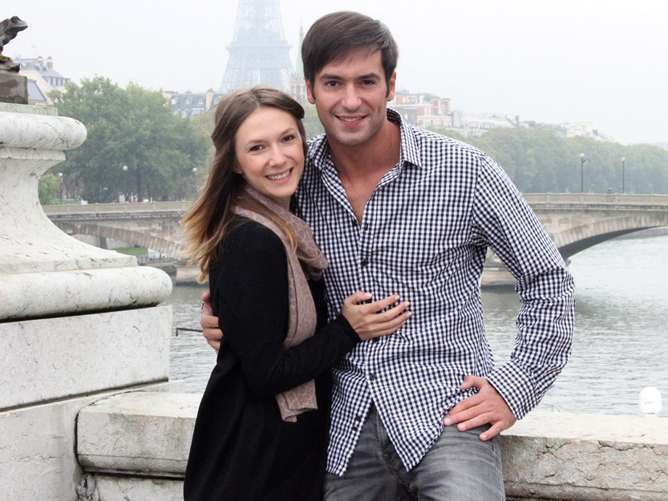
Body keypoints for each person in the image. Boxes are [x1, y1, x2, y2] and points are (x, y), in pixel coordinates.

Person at [201, 11, 575, 500]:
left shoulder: (465, 172)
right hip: (340, 423)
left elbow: (548, 279)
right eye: (333, 83)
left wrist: (516, 386)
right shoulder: (291, 175)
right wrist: (229, 318)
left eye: (366, 82)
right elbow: (248, 259)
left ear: (391, 85)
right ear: (309, 89)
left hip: (447, 414)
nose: (350, 100)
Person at [182, 86, 410, 501]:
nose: (279, 158)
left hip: (273, 451)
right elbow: (267, 373)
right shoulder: (255, 240)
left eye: (288, 139)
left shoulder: (284, 223)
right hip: (256, 462)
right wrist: (348, 330)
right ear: (234, 161)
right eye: (257, 147)